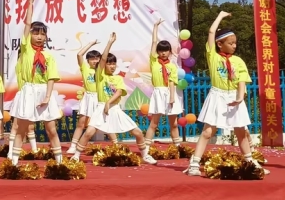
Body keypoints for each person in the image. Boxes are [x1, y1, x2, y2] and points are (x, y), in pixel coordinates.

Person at [185, 11, 266, 177]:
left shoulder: (238, 61)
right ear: (219, 44)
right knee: (208, 132)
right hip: (217, 96)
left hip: (234, 97)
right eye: (231, 43)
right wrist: (220, 17)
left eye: (235, 43)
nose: (234, 46)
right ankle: (194, 163)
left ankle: (250, 162)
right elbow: (211, 32)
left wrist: (240, 97)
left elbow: (241, 80)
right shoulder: (213, 57)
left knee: (241, 132)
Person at [71, 34, 157, 163]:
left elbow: (119, 92)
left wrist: (109, 102)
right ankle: (76, 155)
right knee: (88, 133)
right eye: (109, 63)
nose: (112, 66)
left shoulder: (118, 78)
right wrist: (110, 43)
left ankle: (145, 155)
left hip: (115, 109)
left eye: (114, 63)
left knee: (138, 133)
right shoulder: (100, 76)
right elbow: (102, 59)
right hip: (101, 108)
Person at [8, 0, 64, 165]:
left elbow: (51, 78)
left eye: (42, 34)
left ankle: (60, 164)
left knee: (51, 129)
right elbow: (27, 23)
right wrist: (30, 2)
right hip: (28, 90)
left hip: (43, 92)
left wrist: (47, 96)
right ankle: (13, 164)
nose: (39, 37)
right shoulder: (25, 49)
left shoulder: (48, 56)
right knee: (21, 129)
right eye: (36, 33)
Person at [145, 19, 183, 149]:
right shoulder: (154, 61)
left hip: (169, 93)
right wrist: (155, 26)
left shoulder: (172, 66)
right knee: (154, 124)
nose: (163, 53)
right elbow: (154, 42)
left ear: (170, 52)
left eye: (166, 50)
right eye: (161, 50)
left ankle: (177, 147)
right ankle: (146, 148)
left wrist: (172, 97)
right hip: (158, 93)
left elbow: (172, 82)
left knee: (174, 124)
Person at [66, 41, 99, 159]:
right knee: (81, 123)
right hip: (88, 97)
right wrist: (90, 44)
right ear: (88, 60)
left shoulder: (102, 70)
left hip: (99, 98)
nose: (95, 61)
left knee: (104, 123)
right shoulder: (85, 68)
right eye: (92, 59)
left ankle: (115, 145)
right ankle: (73, 146)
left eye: (97, 58)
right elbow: (79, 54)